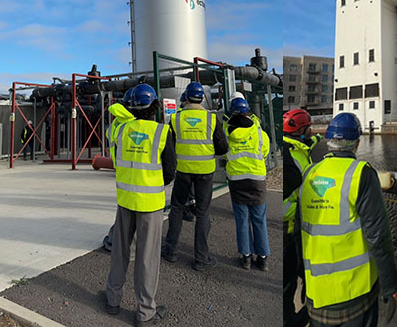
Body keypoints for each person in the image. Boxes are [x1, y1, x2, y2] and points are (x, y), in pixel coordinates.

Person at [299, 112, 397, 326]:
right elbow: (378, 237)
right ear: (357, 143)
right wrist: (390, 286)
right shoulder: (361, 174)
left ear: (328, 141)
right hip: (355, 293)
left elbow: (301, 230)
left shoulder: (309, 174)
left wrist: (304, 280)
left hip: (317, 293)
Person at [103, 84, 176, 326]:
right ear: (154, 106)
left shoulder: (121, 130)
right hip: (150, 203)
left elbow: (115, 160)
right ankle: (145, 312)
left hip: (125, 200)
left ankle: (112, 300)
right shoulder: (161, 132)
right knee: (147, 258)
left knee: (120, 251)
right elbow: (170, 170)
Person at [161, 82, 229, 271]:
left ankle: (171, 251)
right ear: (201, 98)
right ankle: (201, 258)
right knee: (202, 212)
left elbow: (169, 146)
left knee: (177, 208)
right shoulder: (211, 118)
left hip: (183, 170)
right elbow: (222, 147)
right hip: (205, 172)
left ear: (186, 97)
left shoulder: (175, 118)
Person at [279, 108, 321, 325]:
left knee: (296, 274)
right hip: (289, 227)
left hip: (293, 226)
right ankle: (290, 320)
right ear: (302, 131)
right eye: (308, 128)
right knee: (288, 282)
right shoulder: (292, 160)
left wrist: (317, 139)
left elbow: (308, 144)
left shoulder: (293, 147)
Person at [225, 97, 271, 271]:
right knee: (259, 219)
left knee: (242, 220)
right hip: (257, 180)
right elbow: (265, 152)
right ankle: (263, 258)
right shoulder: (259, 133)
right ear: (248, 112)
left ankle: (246, 258)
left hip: (236, 181)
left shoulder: (227, 133)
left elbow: (223, 153)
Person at [102, 88, 136, 252]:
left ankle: (115, 239)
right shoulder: (129, 122)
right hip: (131, 167)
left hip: (121, 167)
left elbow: (109, 137)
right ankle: (114, 241)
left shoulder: (118, 120)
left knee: (126, 206)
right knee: (129, 208)